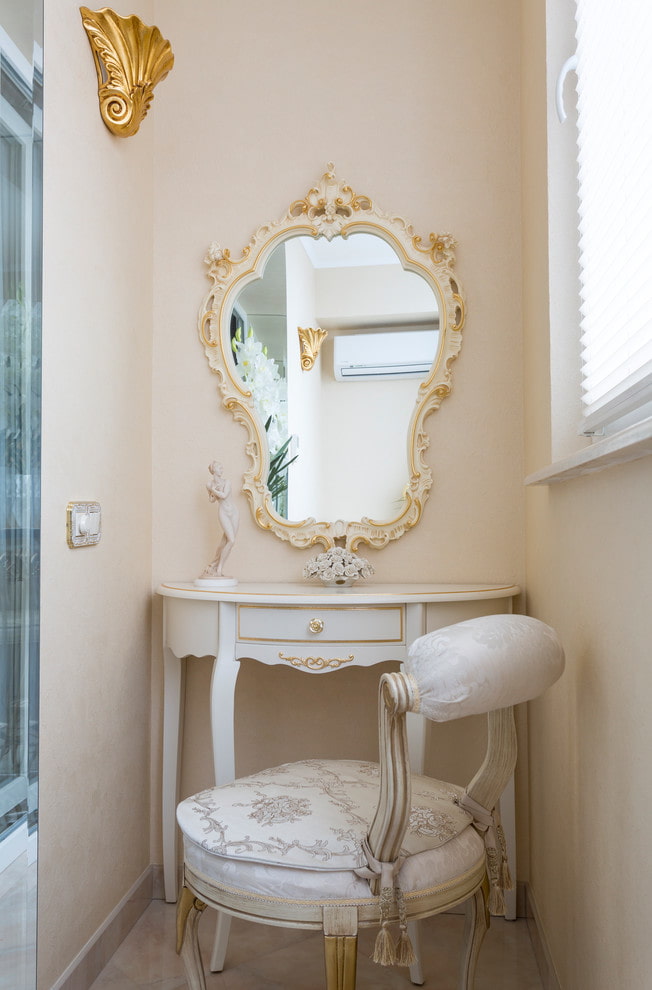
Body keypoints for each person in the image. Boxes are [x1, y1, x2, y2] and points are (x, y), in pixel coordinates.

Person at [201, 461, 239, 578]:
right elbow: (212, 500)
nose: (222, 469)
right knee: (231, 540)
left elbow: (224, 495)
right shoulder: (209, 484)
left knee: (225, 542)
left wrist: (214, 490)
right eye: (219, 467)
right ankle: (219, 568)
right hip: (223, 513)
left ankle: (214, 566)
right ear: (214, 470)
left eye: (222, 467)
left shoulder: (227, 482)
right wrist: (212, 491)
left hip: (234, 513)